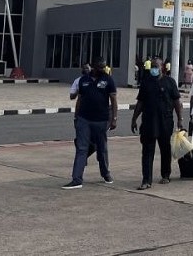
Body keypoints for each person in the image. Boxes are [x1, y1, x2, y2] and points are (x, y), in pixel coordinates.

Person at [62, 60, 118, 189]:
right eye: (100, 67)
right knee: (82, 148)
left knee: (102, 149)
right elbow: (79, 99)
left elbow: (114, 101)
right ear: (93, 67)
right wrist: (76, 117)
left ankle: (105, 173)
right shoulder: (83, 80)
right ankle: (77, 179)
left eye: (104, 67)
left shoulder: (108, 80)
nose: (103, 69)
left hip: (101, 120)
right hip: (84, 120)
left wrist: (114, 118)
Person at [131, 58, 184, 190]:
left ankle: (165, 175)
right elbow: (140, 102)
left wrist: (180, 119)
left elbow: (177, 102)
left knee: (165, 149)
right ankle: (146, 180)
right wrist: (134, 119)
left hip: (165, 122)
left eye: (156, 66)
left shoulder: (170, 82)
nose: (154, 69)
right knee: (147, 151)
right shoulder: (146, 82)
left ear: (162, 68)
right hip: (149, 122)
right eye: (152, 66)